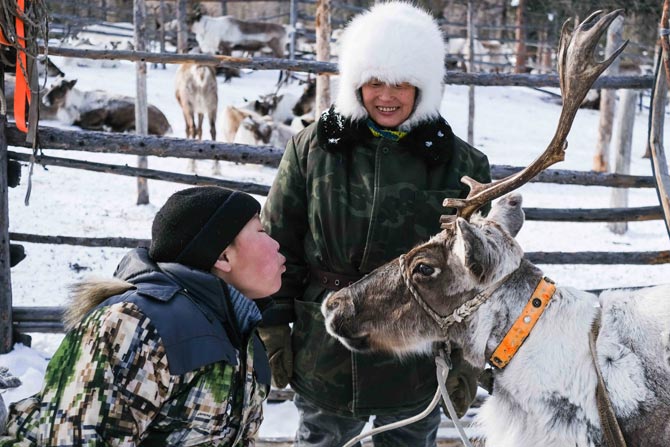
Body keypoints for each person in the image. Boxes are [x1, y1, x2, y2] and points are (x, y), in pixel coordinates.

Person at [259, 2, 492, 446]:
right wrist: (273, 327)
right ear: (355, 83)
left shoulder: (462, 166)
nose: (388, 95)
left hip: (413, 358)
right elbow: (278, 243)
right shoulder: (313, 149)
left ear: (424, 87)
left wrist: (467, 359)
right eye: (375, 82)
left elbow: (479, 276)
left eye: (403, 83)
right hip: (326, 349)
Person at [1, 186, 285, 446]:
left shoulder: (241, 335)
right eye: (261, 232)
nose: (276, 244)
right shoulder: (135, 325)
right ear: (223, 257)